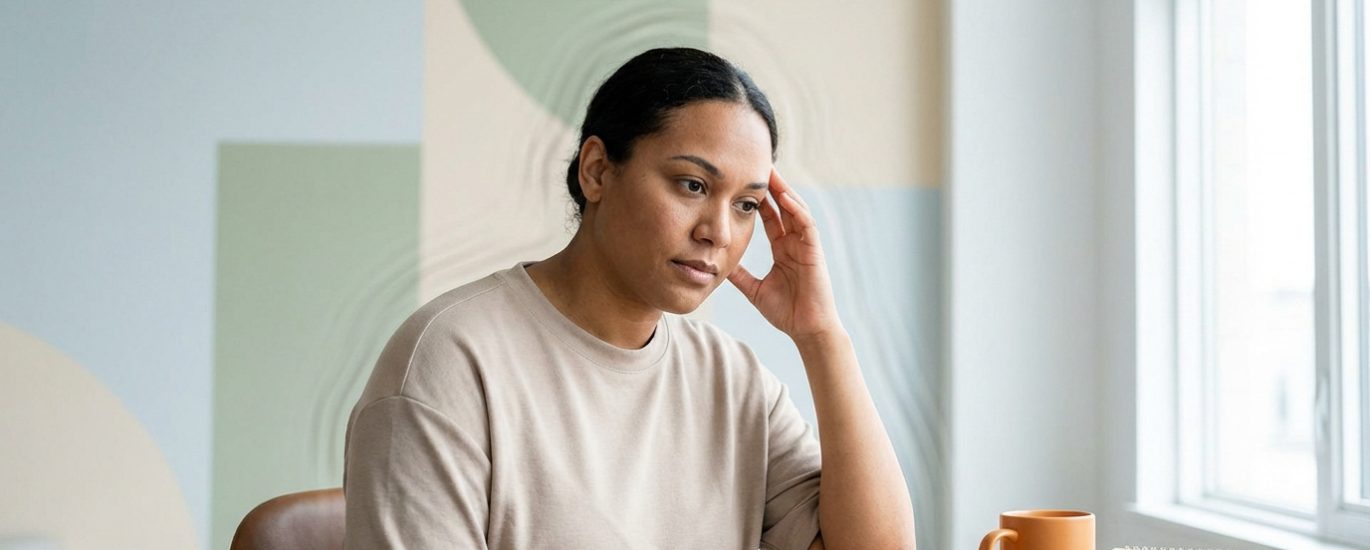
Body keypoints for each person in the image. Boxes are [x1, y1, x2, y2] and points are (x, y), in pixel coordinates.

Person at [342, 47, 916, 550]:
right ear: (597, 170)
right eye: (693, 185)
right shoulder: (451, 359)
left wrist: (821, 338)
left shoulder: (733, 380)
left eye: (746, 204)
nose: (717, 230)